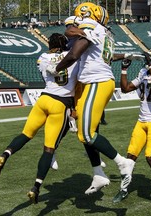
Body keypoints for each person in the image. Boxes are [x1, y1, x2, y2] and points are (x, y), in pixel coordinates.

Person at [47, 4, 138, 195]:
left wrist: (57, 68)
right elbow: (106, 55)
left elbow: (73, 50)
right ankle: (98, 172)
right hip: (94, 81)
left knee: (86, 134)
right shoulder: (104, 31)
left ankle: (123, 163)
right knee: (87, 132)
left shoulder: (91, 25)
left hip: (96, 81)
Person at [0, 33, 79, 204]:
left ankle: (5, 155)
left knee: (26, 134)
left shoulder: (43, 57)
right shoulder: (73, 57)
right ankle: (36, 187)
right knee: (49, 149)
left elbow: (47, 70)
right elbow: (75, 63)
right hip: (60, 103)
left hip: (43, 99)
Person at [112, 48, 151, 211]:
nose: (150, 61)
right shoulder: (144, 71)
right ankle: (123, 189)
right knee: (129, 158)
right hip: (141, 121)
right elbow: (126, 88)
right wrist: (124, 70)